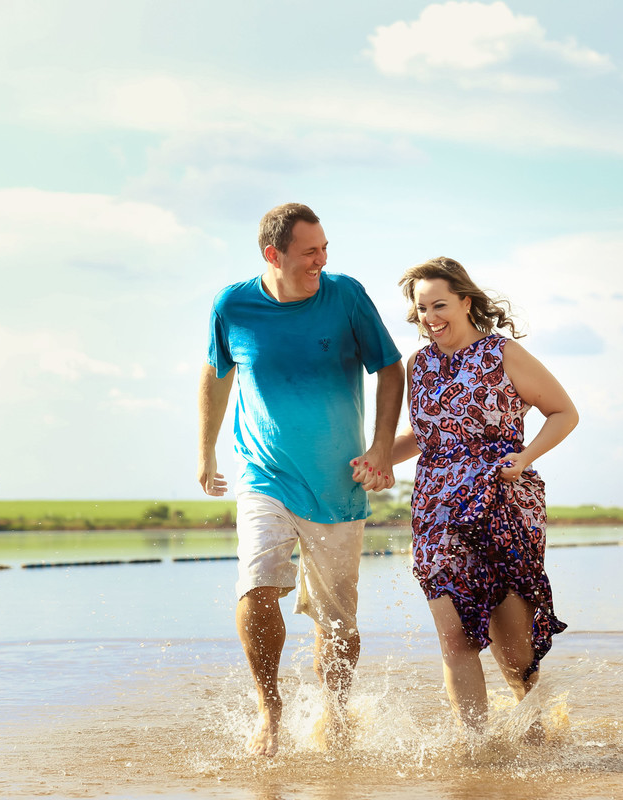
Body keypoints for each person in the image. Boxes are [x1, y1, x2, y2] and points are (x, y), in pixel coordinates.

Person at [197, 203, 404, 757]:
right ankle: (270, 710)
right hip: (264, 472)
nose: (322, 260)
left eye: (325, 248)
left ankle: (335, 714)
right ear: (274, 254)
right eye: (310, 251)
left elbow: (390, 366)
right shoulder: (233, 304)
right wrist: (206, 450)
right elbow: (217, 374)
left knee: (338, 624)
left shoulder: (347, 297)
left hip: (339, 486)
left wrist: (382, 447)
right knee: (258, 582)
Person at [389, 256, 578, 732]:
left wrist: (526, 456)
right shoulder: (419, 365)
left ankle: (538, 732)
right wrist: (374, 461)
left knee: (513, 652)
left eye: (440, 305)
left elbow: (563, 412)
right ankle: (475, 749)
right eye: (422, 308)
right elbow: (427, 436)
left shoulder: (502, 353)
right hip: (435, 509)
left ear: (465, 302)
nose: (431, 318)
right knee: (454, 639)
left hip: (502, 502)